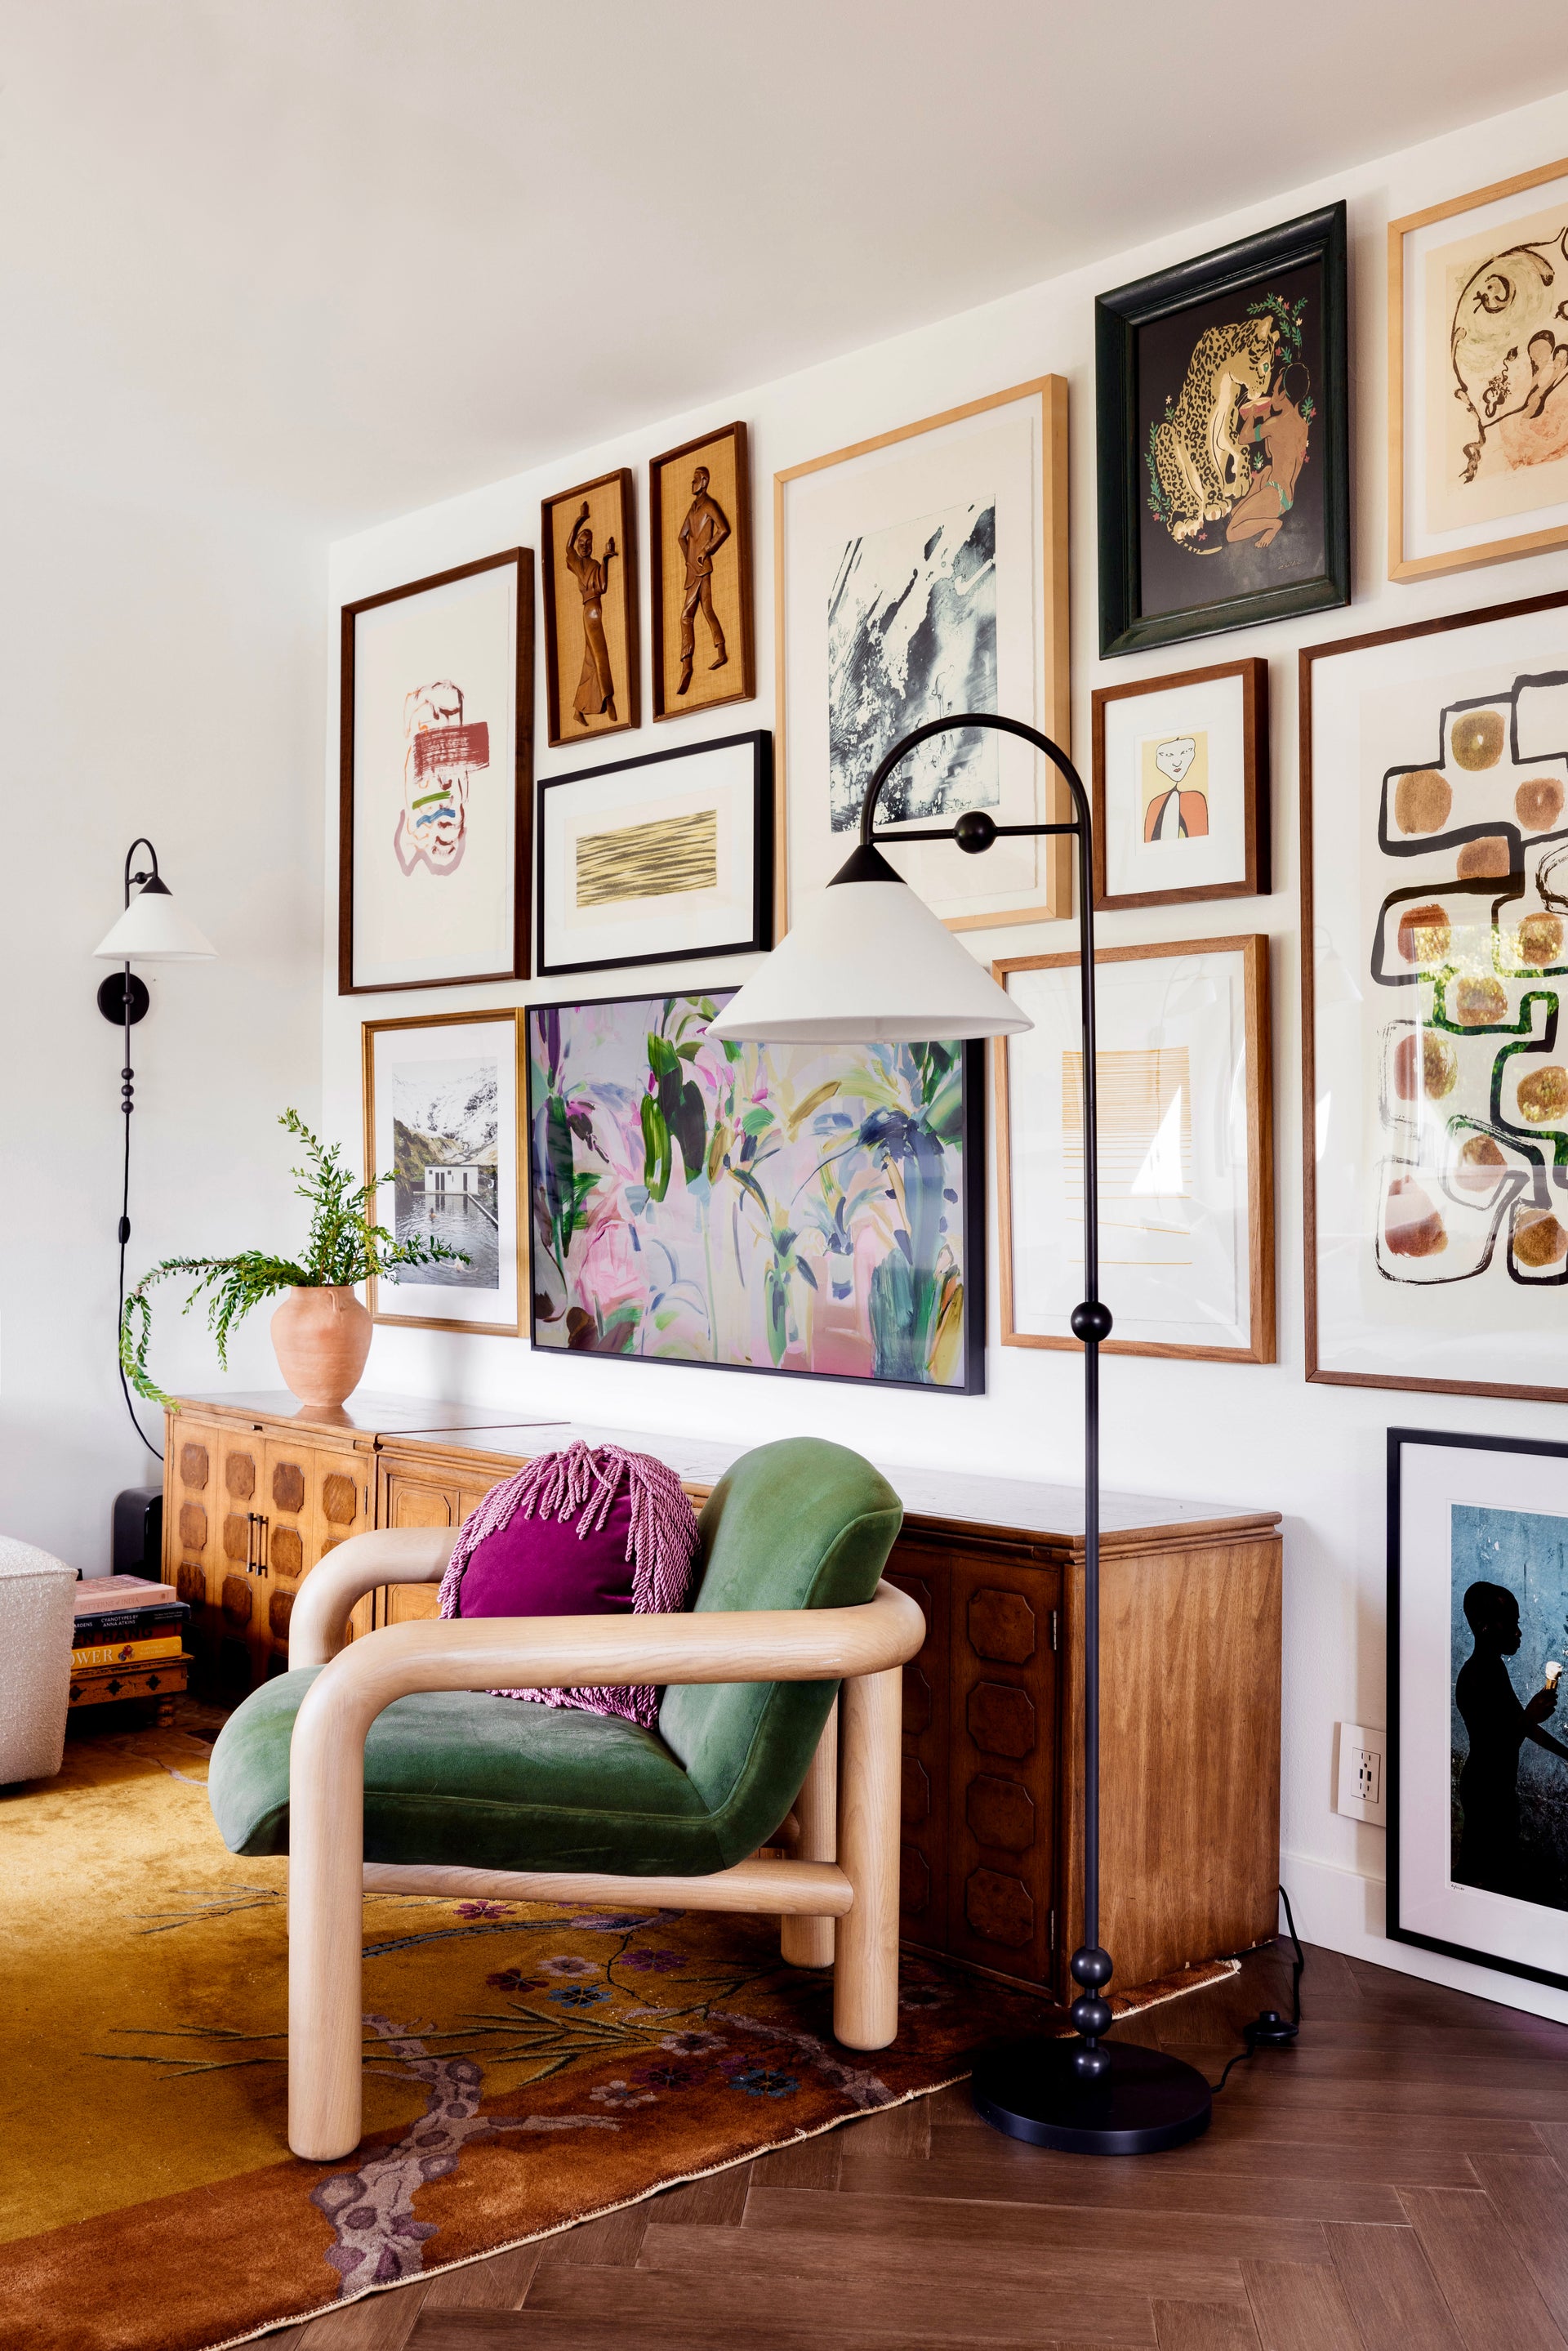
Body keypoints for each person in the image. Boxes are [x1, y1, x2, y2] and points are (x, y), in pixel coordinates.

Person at [1454, 1579, 1568, 1898]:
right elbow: (1497, 1744)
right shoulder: (1476, 1675)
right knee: (1482, 1869)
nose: (1518, 1633)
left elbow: (1520, 1726)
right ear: (1484, 1626)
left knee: (1485, 1865)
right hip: (1485, 1787)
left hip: (1495, 1785)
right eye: (1511, 1623)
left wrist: (1566, 1753)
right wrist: (1531, 1714)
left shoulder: (1493, 1669)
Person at [1225, 361, 1312, 548]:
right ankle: (1243, 506)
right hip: (1287, 495)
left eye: (1274, 392)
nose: (1272, 396)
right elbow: (1271, 451)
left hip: (1274, 496)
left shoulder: (1275, 424)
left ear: (1282, 394)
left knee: (1231, 532)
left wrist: (1252, 415)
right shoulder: (1302, 426)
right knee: (1266, 470)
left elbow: (1243, 438)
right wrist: (1265, 416)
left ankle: (1273, 524)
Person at [675, 464, 729, 694]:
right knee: (707, 610)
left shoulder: (709, 505)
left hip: (701, 568)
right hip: (695, 569)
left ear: (705, 481)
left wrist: (705, 550)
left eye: (696, 478)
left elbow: (723, 529)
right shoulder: (693, 508)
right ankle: (721, 651)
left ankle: (687, 665)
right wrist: (689, 559)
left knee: (686, 616)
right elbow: (681, 537)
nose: (692, 482)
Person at [565, 502, 618, 725]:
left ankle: (579, 710)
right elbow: (567, 547)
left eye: (588, 543)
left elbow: (603, 586)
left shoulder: (595, 564)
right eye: (581, 543)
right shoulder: (577, 564)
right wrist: (580, 519)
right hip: (589, 612)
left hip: (597, 608)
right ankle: (609, 698)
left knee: (590, 660)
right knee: (600, 655)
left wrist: (605, 559)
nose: (584, 547)